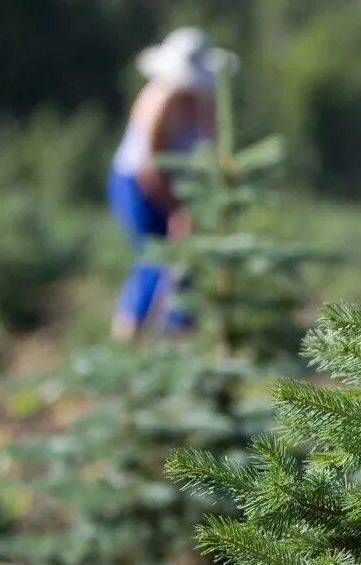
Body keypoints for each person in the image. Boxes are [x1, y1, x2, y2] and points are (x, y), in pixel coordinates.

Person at [107, 28, 229, 340]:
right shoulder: (158, 101)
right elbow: (152, 167)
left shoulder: (203, 98)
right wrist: (175, 210)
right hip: (139, 186)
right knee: (154, 257)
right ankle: (130, 334)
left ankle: (179, 334)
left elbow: (213, 144)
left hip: (181, 186)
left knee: (186, 260)